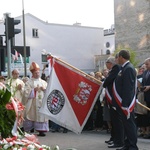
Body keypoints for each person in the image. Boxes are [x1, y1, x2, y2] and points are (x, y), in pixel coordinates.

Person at [113, 50, 138, 150]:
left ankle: (133, 146)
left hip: (126, 103)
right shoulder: (124, 68)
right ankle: (127, 144)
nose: (117, 59)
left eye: (118, 57)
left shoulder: (128, 68)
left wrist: (125, 104)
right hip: (123, 102)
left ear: (121, 57)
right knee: (126, 125)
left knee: (130, 125)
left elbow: (128, 88)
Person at [103, 55, 124, 148]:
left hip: (115, 98)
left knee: (117, 121)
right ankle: (115, 139)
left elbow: (109, 80)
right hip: (113, 98)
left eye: (117, 58)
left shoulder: (116, 67)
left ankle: (118, 141)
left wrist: (104, 82)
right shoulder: (118, 68)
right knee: (114, 120)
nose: (116, 60)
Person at [23, 62, 49, 136]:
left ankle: (41, 131)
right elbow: (25, 93)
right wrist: (33, 90)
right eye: (35, 73)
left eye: (38, 73)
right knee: (31, 115)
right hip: (32, 103)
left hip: (41, 102)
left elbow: (48, 91)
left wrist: (44, 89)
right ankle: (30, 129)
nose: (37, 74)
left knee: (41, 116)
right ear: (32, 74)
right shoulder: (29, 82)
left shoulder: (43, 82)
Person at [141, 57, 150, 139]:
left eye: (147, 64)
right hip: (147, 97)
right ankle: (147, 132)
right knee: (147, 116)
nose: (146, 66)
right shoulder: (146, 72)